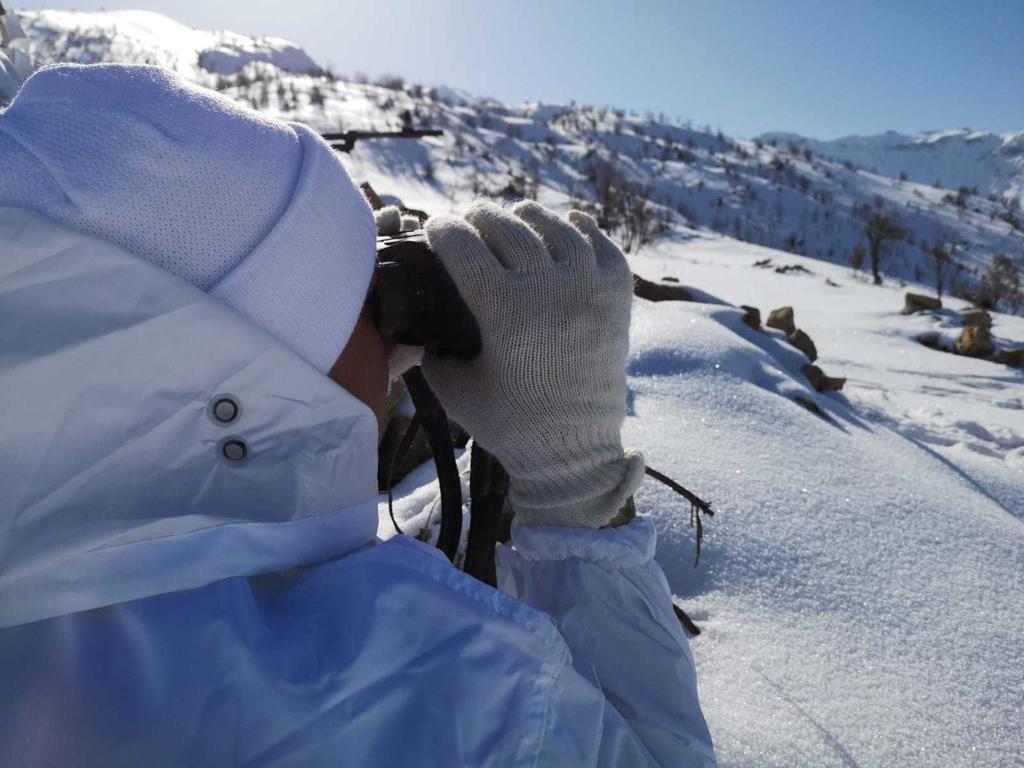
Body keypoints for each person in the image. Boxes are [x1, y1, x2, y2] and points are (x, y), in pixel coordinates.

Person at [0, 63, 716, 767]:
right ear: (252, 369)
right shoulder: (448, 700)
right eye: (362, 303)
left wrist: (338, 336)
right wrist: (577, 489)